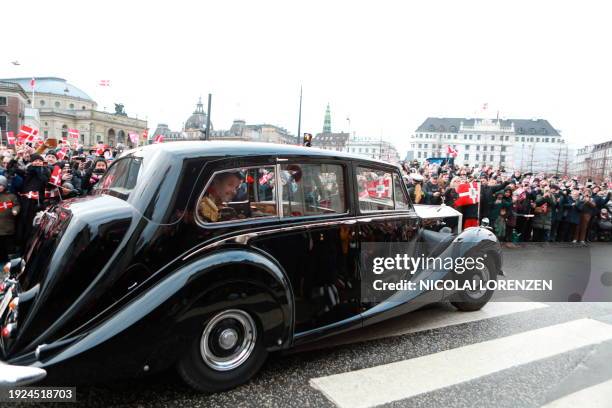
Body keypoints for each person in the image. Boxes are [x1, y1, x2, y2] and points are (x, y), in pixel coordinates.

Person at [16, 153, 50, 248]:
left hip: (37, 202)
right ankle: (21, 245)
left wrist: (39, 171)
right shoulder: (27, 171)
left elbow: (45, 182)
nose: (38, 162)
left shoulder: (45, 171)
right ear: (32, 162)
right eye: (36, 160)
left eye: (40, 160)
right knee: (22, 223)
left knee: (33, 224)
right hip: (25, 201)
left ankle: (30, 245)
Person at [0, 176, 20, 263]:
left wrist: (15, 210)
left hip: (8, 226)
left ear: (5, 185)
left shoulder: (11, 196)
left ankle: (10, 262)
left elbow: (16, 205)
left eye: (1, 185)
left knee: (9, 246)